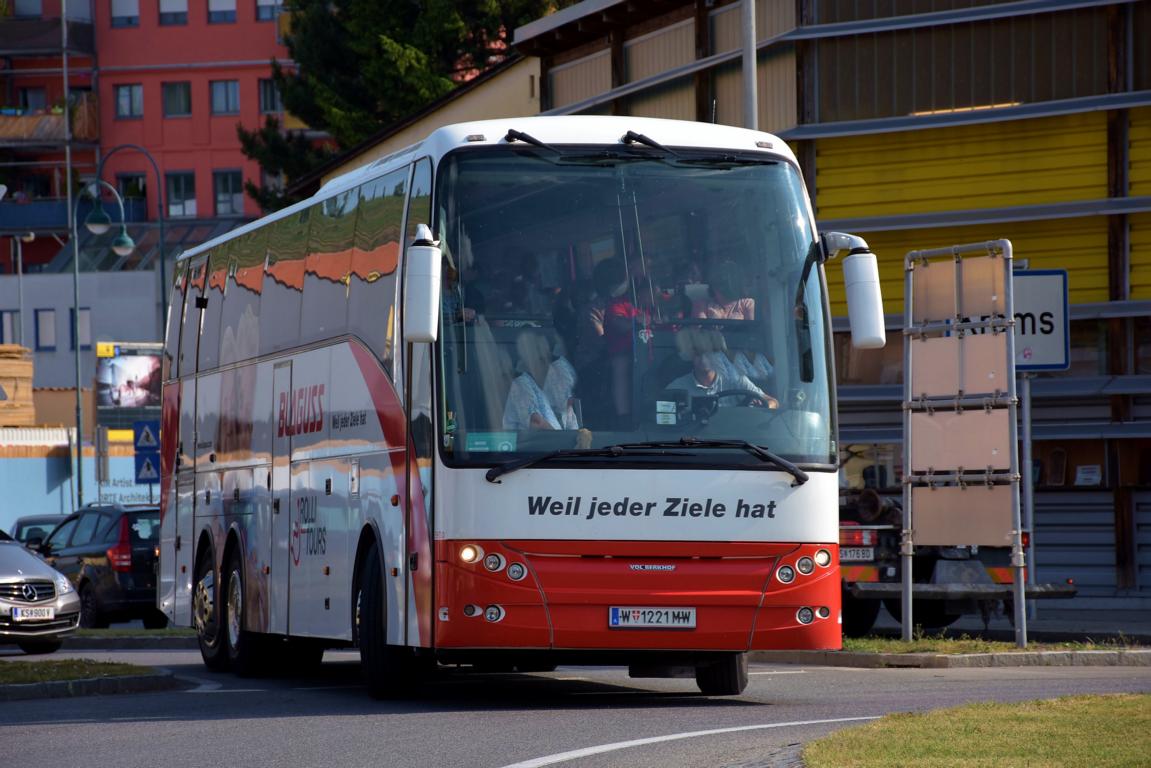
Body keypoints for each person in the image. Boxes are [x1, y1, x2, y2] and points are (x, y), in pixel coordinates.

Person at [665, 327, 778, 409]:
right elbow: (661, 414)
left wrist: (766, 405)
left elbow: (773, 402)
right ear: (691, 356)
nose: (704, 358)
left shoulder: (736, 380)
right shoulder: (677, 388)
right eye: (699, 353)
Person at [503, 330, 579, 431]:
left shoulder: (539, 384)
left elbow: (568, 410)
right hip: (535, 446)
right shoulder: (521, 386)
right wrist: (563, 440)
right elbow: (536, 423)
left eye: (546, 356)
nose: (546, 362)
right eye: (540, 358)